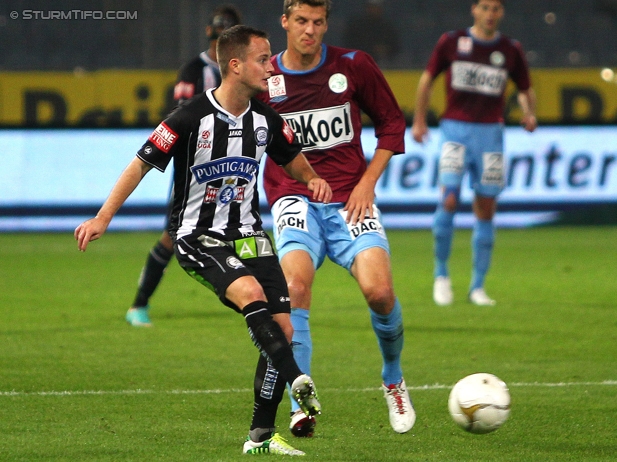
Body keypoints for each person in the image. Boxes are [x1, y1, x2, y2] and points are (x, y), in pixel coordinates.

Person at [75, 25, 332, 456]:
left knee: (284, 328)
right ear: (235, 65)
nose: (271, 66)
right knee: (250, 294)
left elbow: (294, 160)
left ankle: (261, 439)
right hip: (197, 235)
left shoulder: (266, 119)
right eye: (263, 58)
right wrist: (104, 217)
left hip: (250, 234)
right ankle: (298, 380)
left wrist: (314, 179)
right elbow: (140, 163)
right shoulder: (189, 117)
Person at [257, 0, 416, 437]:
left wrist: (367, 182)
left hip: (350, 199)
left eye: (319, 22)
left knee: (380, 292)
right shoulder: (264, 77)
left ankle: (394, 378)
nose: (310, 30)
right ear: (285, 22)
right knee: (295, 288)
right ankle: (301, 402)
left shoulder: (354, 65)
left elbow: (392, 123)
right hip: (294, 198)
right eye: (302, 21)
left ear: (327, 23)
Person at [411, 0, 537, 306]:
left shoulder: (510, 49)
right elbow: (428, 79)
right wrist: (418, 120)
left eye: (495, 8)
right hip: (455, 130)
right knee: (449, 198)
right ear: (474, 10)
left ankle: (477, 286)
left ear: (501, 13)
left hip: (491, 135)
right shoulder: (452, 42)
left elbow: (524, 87)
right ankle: (441, 276)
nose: (490, 14)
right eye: (485, 7)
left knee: (486, 208)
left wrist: (529, 112)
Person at [126, 4, 242, 327]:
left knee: (243, 229)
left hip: (236, 168)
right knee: (172, 235)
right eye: (218, 33)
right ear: (209, 33)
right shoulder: (194, 70)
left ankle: (260, 299)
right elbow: (180, 119)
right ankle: (139, 304)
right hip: (195, 170)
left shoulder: (245, 71)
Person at [341, 0, 401, 67]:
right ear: (367, 8)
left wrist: (385, 50)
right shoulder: (356, 26)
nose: (374, 10)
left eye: (376, 7)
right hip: (359, 63)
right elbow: (348, 44)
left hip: (384, 65)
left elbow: (395, 47)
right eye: (372, 7)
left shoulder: (387, 27)